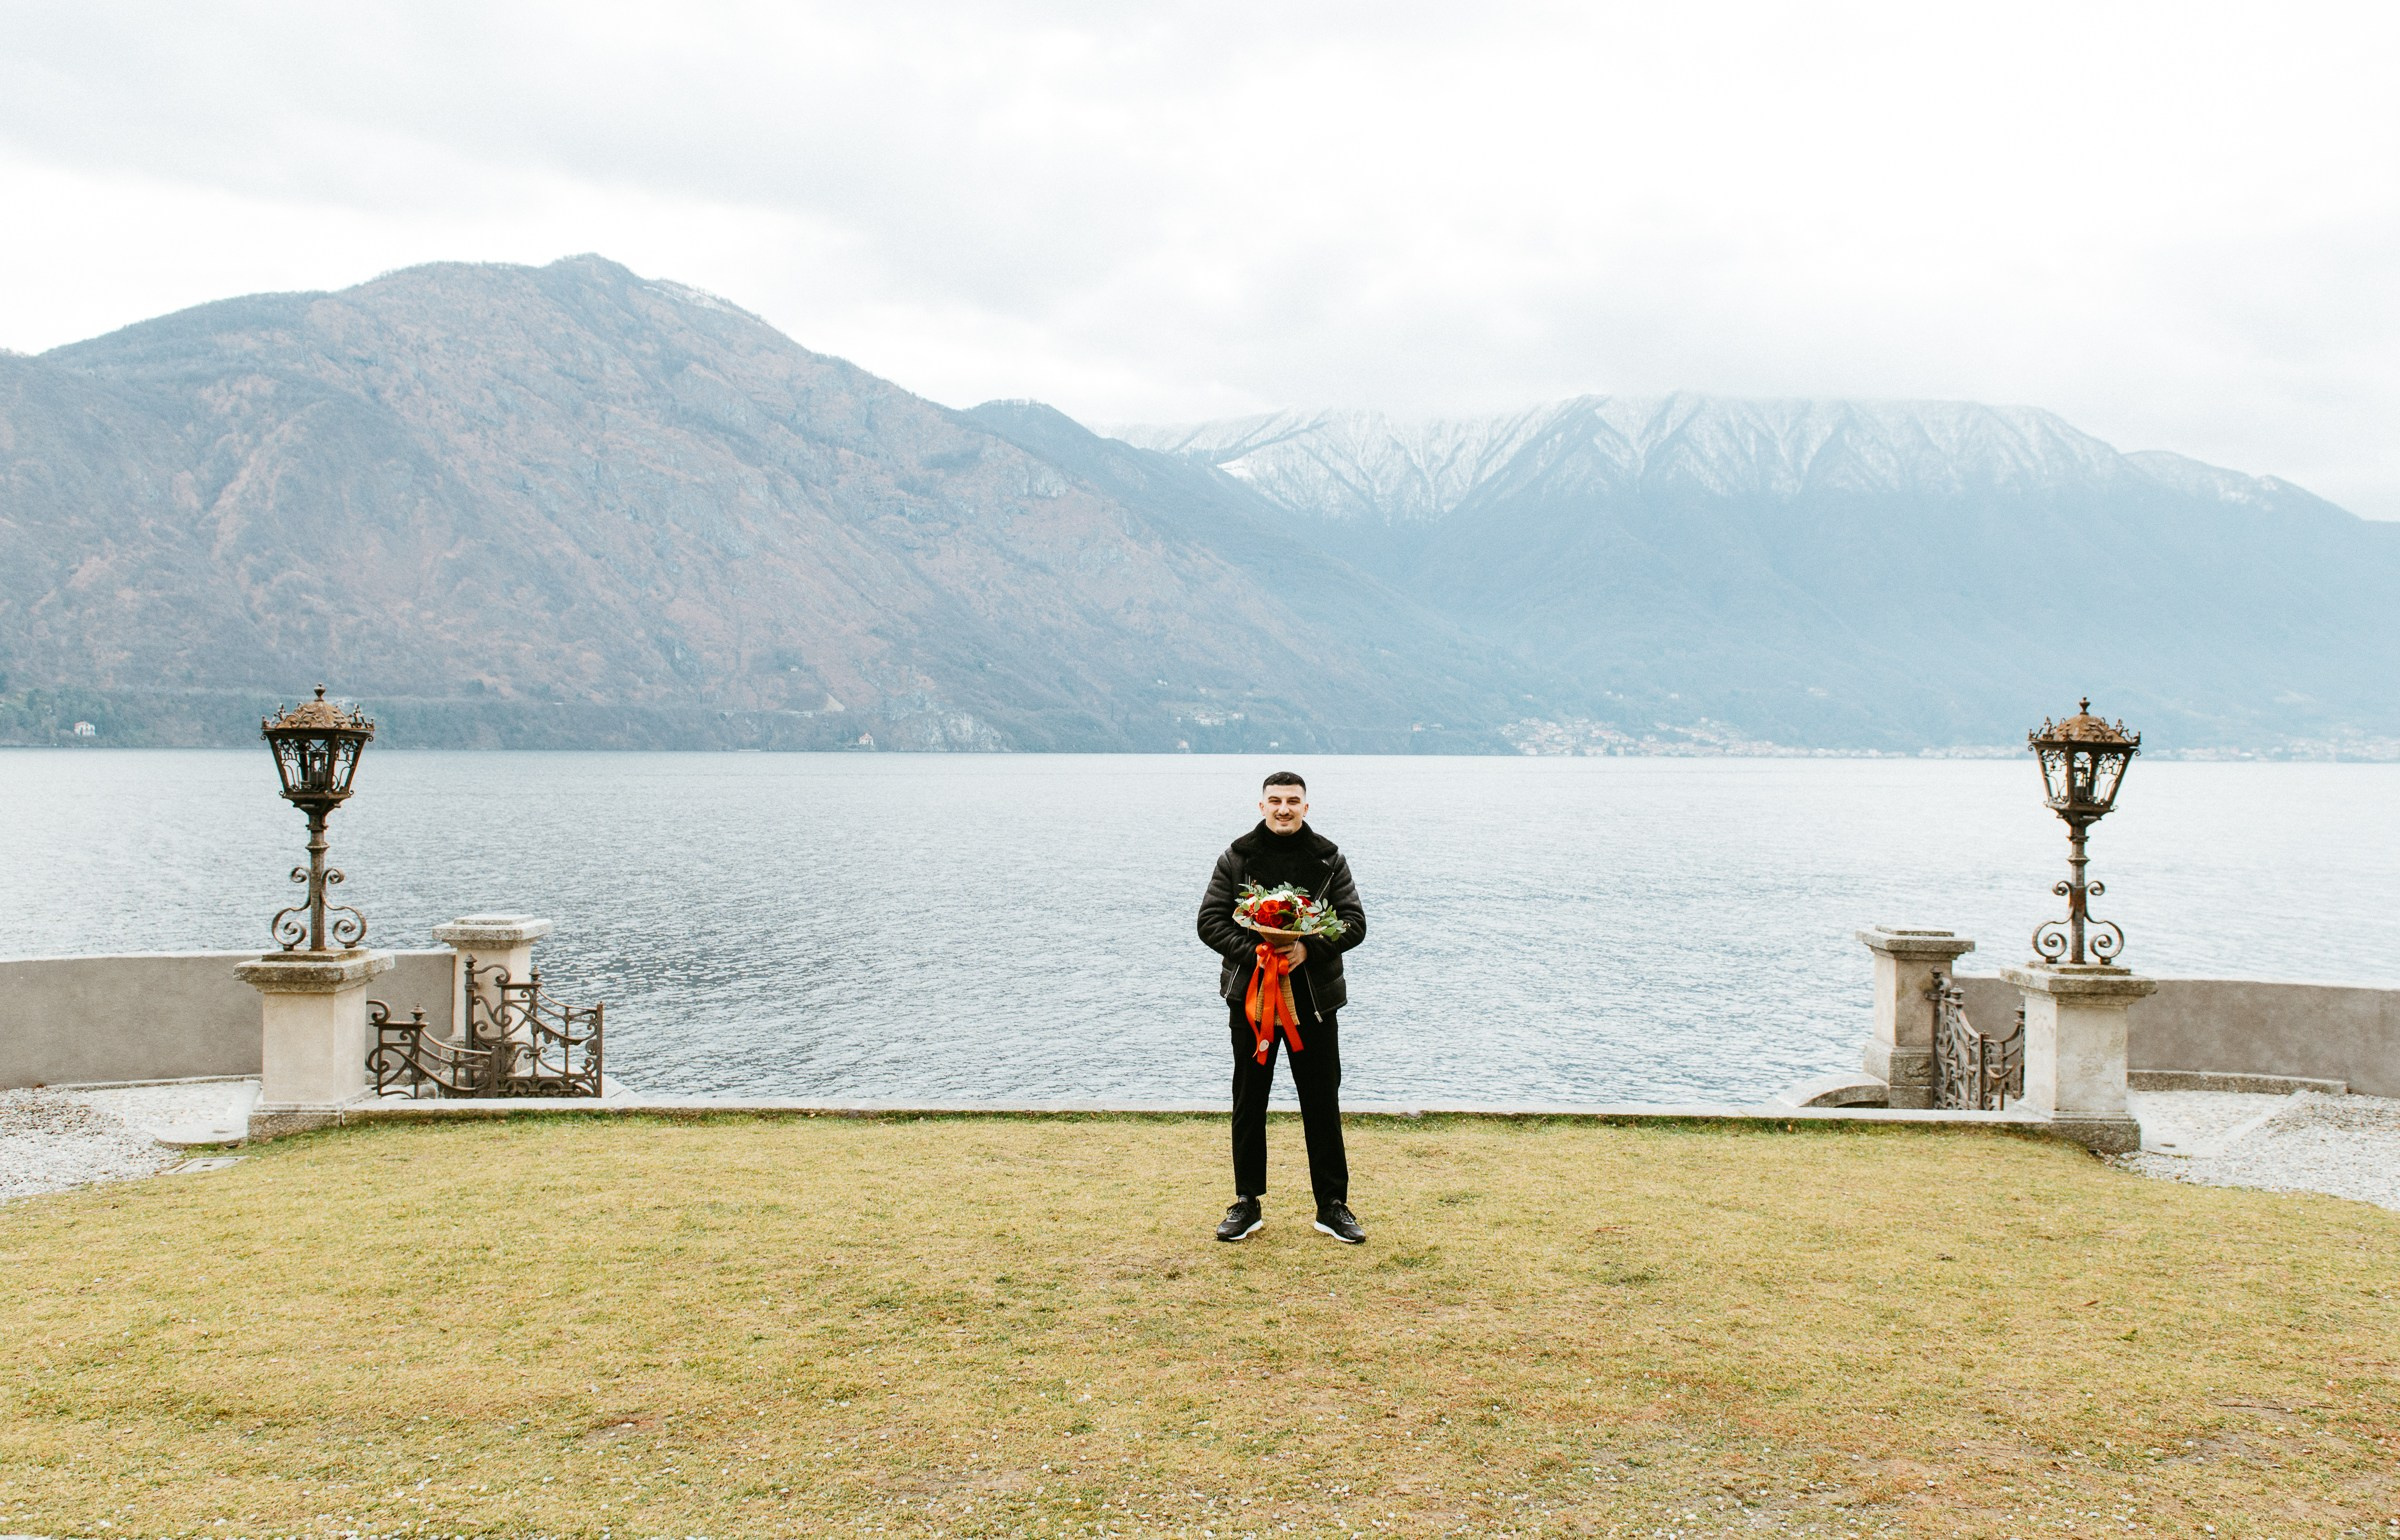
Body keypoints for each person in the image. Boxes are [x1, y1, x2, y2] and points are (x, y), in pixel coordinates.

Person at [1195, 770, 1369, 1244]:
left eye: (1293, 800)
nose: (1284, 808)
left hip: (1314, 1003)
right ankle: (1246, 1201)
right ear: (1262, 806)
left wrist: (1308, 949)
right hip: (1252, 999)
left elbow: (1353, 922)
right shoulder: (1236, 857)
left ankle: (1332, 1205)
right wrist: (1256, 952)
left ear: (1305, 807)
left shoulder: (1329, 858)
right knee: (1249, 1100)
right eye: (1275, 800)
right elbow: (1209, 921)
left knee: (1321, 1100)